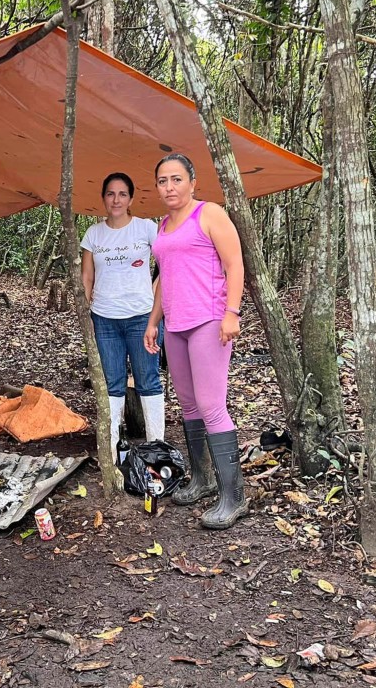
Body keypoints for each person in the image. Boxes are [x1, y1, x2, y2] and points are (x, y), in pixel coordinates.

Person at [144, 153, 247, 529]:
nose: (169, 187)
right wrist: (154, 320)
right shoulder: (163, 226)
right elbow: (164, 276)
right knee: (187, 404)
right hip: (176, 324)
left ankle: (233, 497)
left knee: (210, 405)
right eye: (162, 181)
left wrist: (232, 312)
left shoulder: (210, 213)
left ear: (191, 182)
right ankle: (202, 480)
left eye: (175, 179)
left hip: (209, 319)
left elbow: (234, 263)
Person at [80, 172, 165, 458]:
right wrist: (85, 312)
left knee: (148, 380)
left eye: (122, 194)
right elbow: (87, 276)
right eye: (110, 194)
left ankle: (157, 448)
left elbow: (169, 264)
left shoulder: (146, 228)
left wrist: (154, 296)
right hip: (104, 319)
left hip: (142, 317)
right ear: (103, 198)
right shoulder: (94, 234)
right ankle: (112, 452)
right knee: (112, 383)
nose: (116, 200)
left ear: (131, 198)